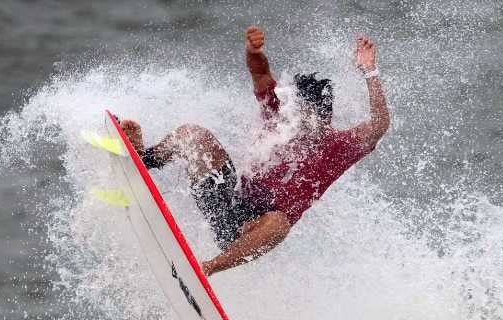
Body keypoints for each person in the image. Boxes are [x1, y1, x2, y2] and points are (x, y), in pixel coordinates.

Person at [119, 26, 390, 276]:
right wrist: (253, 52)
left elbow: (379, 124)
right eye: (297, 113)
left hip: (249, 231)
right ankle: (143, 159)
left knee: (279, 223)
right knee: (194, 135)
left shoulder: (337, 147)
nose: (298, 123)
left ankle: (206, 269)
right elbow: (260, 73)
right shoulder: (281, 115)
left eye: (308, 117)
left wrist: (370, 71)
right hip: (226, 203)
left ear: (324, 118)